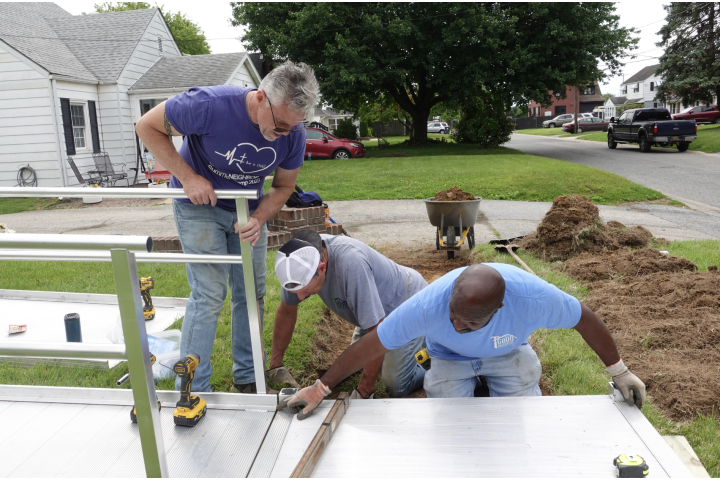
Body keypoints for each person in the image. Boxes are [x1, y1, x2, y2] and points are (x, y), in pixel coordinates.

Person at [135, 61, 320, 393]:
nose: (284, 135)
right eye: (280, 125)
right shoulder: (208, 105)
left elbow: (283, 187)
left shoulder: (293, 132)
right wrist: (188, 177)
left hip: (247, 211)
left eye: (293, 127)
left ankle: (248, 377)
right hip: (197, 206)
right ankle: (193, 387)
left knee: (252, 292)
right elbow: (147, 126)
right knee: (208, 293)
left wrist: (259, 218)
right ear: (261, 98)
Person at [279, 263, 647, 419]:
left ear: (500, 308)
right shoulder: (427, 304)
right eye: (453, 314)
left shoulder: (534, 298)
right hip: (448, 357)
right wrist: (320, 388)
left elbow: (585, 320)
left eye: (470, 321)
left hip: (508, 351)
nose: (457, 323)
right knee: (450, 416)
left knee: (525, 415)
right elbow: (373, 344)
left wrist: (621, 372)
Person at [270, 229, 428, 398]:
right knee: (356, 365)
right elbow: (286, 311)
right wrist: (275, 367)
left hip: (405, 307)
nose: (301, 297)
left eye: (305, 291)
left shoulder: (351, 263)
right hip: (372, 312)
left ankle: (430, 361)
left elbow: (377, 331)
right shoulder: (299, 262)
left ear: (321, 268)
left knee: (395, 386)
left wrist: (363, 392)